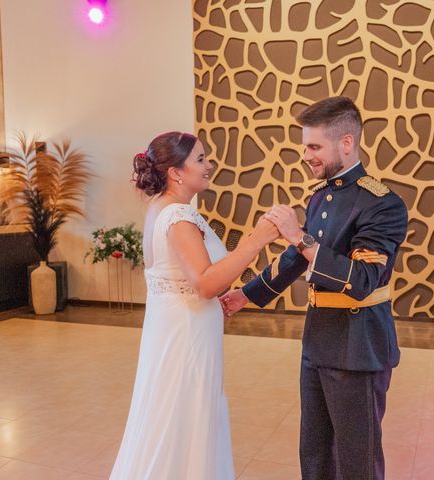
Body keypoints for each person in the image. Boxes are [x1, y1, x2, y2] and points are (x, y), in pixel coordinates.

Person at [221, 96, 408, 480]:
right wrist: (247, 295)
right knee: (316, 454)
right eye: (305, 145)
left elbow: (361, 281)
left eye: (314, 146)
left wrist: (298, 236)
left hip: (358, 346)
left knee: (357, 462)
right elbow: (297, 260)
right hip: (319, 341)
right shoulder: (322, 194)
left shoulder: (383, 204)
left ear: (346, 143)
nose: (305, 155)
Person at [109, 131, 279, 480]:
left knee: (172, 417)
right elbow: (205, 283)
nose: (209, 165)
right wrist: (256, 241)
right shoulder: (179, 217)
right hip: (186, 336)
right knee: (186, 417)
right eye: (200, 159)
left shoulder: (163, 208)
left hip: (175, 330)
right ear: (176, 172)